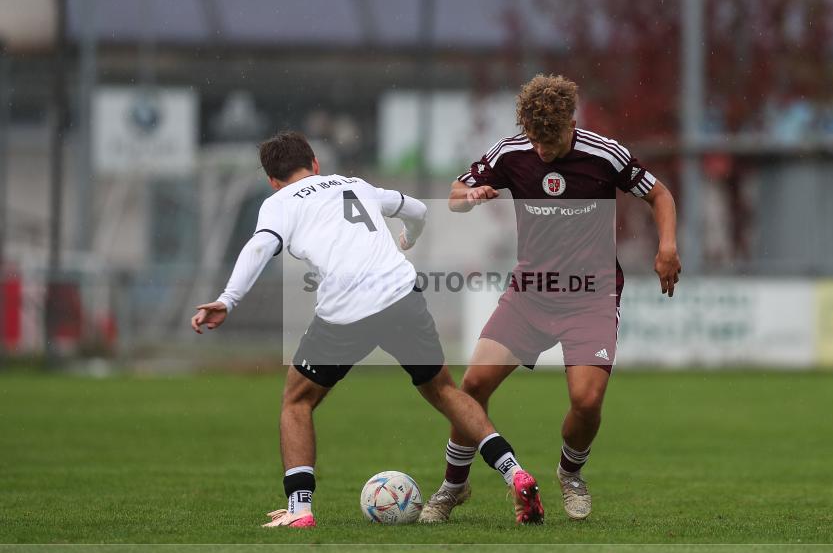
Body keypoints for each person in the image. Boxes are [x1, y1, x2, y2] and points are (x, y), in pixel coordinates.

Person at [190, 131, 544, 528]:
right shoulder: (353, 184)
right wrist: (409, 237)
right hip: (401, 294)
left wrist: (229, 299)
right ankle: (514, 472)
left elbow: (259, 247)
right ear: (315, 164)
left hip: (347, 309)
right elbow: (418, 210)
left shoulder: (279, 203)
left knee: (297, 402)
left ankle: (299, 509)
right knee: (445, 391)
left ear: (273, 180)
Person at [418, 74, 681, 523]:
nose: (541, 150)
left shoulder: (604, 154)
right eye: (534, 139)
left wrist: (667, 247)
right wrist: (472, 195)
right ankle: (453, 486)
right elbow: (455, 196)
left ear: (571, 125)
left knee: (587, 400)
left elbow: (659, 194)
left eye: (551, 140)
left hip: (592, 295)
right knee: (473, 386)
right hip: (531, 294)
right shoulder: (511, 152)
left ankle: (570, 473)